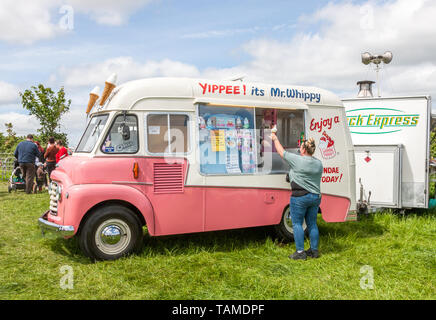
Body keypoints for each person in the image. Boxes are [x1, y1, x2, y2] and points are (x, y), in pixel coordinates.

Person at [271, 132, 323, 260]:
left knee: (297, 224)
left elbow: (281, 152)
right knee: (312, 224)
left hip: (300, 197)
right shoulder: (318, 164)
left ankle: (300, 252)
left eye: (300, 147)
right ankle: (314, 251)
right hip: (315, 197)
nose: (299, 149)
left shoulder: (297, 160)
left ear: (304, 149)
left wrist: (275, 138)